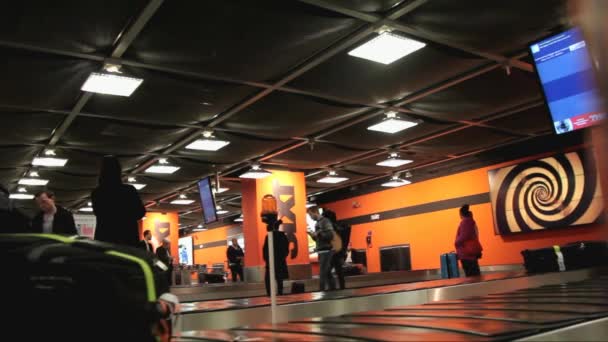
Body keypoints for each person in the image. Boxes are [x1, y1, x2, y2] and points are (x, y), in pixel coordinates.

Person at [92, 156, 146, 247]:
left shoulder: (97, 193)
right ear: (119, 171)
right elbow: (140, 212)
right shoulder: (129, 190)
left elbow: (98, 212)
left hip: (105, 238)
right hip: (128, 238)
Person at [307, 206, 336, 291]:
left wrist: (319, 234)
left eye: (310, 215)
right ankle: (332, 290)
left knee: (323, 272)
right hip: (322, 250)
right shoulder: (318, 223)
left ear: (314, 212)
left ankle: (322, 291)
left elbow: (330, 235)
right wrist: (313, 235)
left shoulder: (325, 221)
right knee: (327, 273)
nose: (310, 217)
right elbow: (318, 238)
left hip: (326, 251)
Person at [455, 204, 483, 277]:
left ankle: (473, 288)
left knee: (470, 274)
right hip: (471, 252)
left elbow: (464, 236)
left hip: (466, 253)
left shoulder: (465, 222)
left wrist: (456, 242)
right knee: (474, 273)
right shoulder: (471, 222)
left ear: (461, 214)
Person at [323, 209, 348, 290]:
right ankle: (341, 287)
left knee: (327, 271)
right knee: (338, 271)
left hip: (332, 252)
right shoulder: (338, 227)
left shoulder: (330, 228)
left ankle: (332, 287)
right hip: (338, 252)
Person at [262, 228, 289, 296]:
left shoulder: (268, 236)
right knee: (279, 278)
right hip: (280, 261)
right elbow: (286, 248)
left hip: (270, 261)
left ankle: (269, 293)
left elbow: (265, 249)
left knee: (268, 278)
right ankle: (280, 292)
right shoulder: (283, 236)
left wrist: (267, 259)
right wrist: (283, 257)